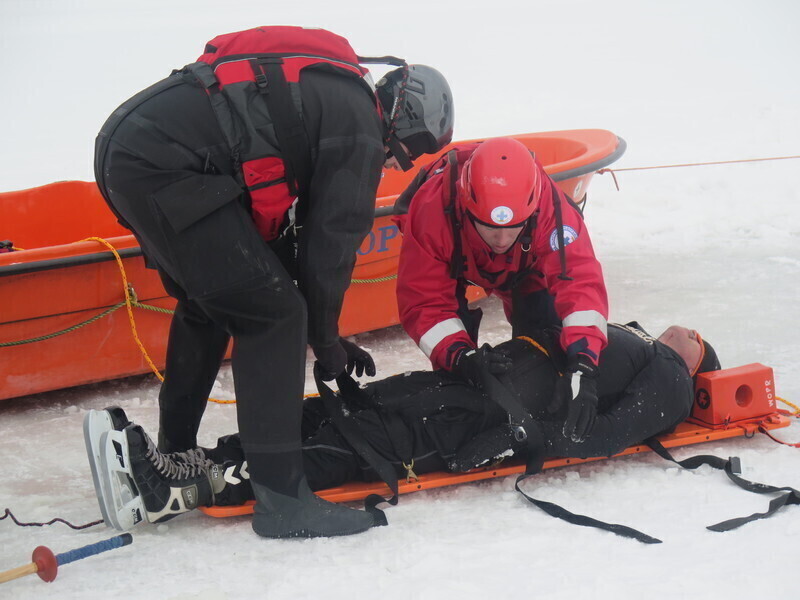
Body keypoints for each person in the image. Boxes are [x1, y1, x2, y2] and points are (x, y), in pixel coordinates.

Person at [90, 26, 454, 539]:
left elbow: (287, 247)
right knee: (276, 317)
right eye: (413, 148)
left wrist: (328, 335)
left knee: (211, 304)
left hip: (130, 151)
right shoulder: (358, 127)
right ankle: (283, 501)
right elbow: (332, 243)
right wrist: (323, 339)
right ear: (406, 117)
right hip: (165, 164)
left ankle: (175, 455)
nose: (402, 162)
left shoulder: (331, 97)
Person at [84, 320, 720, 530]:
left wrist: (516, 439)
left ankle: (180, 491)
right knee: (335, 411)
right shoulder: (626, 337)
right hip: (473, 385)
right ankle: (190, 463)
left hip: (484, 419)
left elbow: (601, 436)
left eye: (696, 338)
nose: (686, 330)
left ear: (698, 361)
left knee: (360, 444)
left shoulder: (669, 376)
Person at [394, 136, 609, 446]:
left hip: (528, 266)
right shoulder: (431, 211)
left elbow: (580, 285)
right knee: (457, 373)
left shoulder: (553, 210)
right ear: (466, 207)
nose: (502, 240)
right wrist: (460, 357)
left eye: (512, 227)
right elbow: (424, 302)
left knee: (546, 343)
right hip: (456, 259)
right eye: (490, 227)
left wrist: (584, 364)